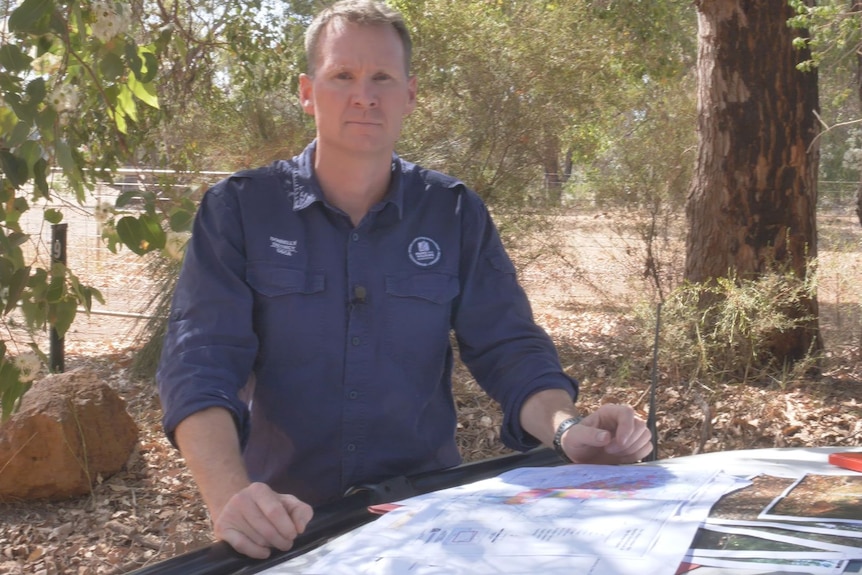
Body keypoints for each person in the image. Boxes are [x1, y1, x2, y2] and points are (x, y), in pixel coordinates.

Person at [156, 0, 653, 560]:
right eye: (342, 75)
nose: (364, 95)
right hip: (284, 523)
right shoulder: (241, 210)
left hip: (428, 521)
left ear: (409, 96)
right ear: (306, 91)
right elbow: (200, 361)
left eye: (383, 78)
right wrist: (231, 498)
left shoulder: (455, 213)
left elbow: (509, 348)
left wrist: (567, 429)